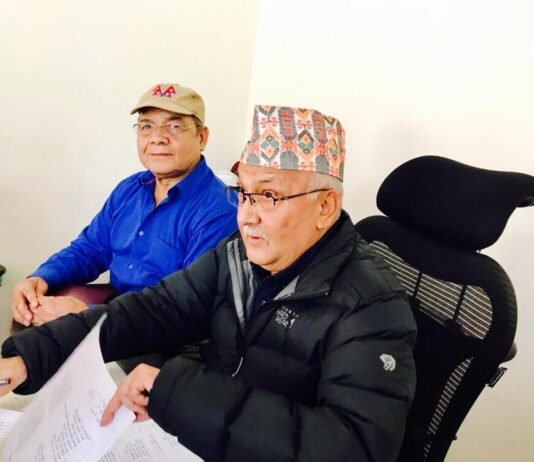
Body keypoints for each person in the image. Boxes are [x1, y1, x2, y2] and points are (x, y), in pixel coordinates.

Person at [0, 105, 417, 461]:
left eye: (268, 196)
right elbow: (154, 308)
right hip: (202, 434)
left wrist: (178, 392)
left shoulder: (371, 305)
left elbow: (354, 447)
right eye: (244, 193)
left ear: (325, 206)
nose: (247, 216)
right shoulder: (236, 255)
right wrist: (31, 357)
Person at [10, 83, 237, 328]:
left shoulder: (219, 209)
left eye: (174, 126)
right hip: (116, 310)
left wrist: (88, 315)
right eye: (147, 126)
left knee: (40, 341)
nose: (157, 138)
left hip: (159, 332)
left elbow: (187, 307)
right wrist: (41, 277)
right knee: (29, 319)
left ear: (201, 137)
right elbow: (90, 249)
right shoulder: (130, 189)